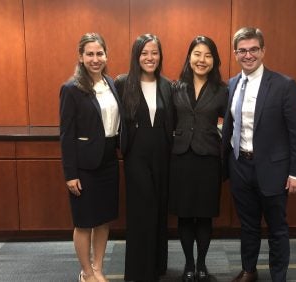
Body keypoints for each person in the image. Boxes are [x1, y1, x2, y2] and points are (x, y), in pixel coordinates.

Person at [221, 27, 296, 282]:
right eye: (242, 50)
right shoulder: (233, 84)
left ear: (263, 51)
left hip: (274, 171)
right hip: (240, 167)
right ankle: (249, 270)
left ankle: (278, 276)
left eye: (253, 50)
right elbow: (231, 125)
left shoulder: (284, 85)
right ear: (236, 53)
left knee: (277, 228)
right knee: (247, 225)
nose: (248, 55)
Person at [59, 32, 122, 282]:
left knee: (104, 219)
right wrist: (70, 174)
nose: (96, 59)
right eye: (90, 54)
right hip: (84, 165)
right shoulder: (71, 89)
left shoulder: (111, 84)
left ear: (106, 55)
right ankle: (85, 272)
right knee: (85, 222)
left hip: (109, 160)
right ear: (81, 57)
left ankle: (98, 268)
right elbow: (66, 134)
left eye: (100, 53)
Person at [114, 33, 173, 282]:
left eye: (155, 53)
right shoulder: (122, 82)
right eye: (145, 53)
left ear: (160, 56)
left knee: (159, 209)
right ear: (137, 56)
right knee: (142, 210)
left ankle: (158, 265)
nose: (150, 58)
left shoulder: (168, 85)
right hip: (136, 154)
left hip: (162, 153)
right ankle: (139, 271)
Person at [168, 36, 228, 282]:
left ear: (214, 60)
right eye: (197, 54)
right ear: (189, 57)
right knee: (184, 215)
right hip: (180, 158)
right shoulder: (174, 87)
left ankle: (202, 264)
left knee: (204, 215)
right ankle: (189, 265)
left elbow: (234, 123)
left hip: (208, 159)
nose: (201, 60)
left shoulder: (223, 90)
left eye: (207, 55)